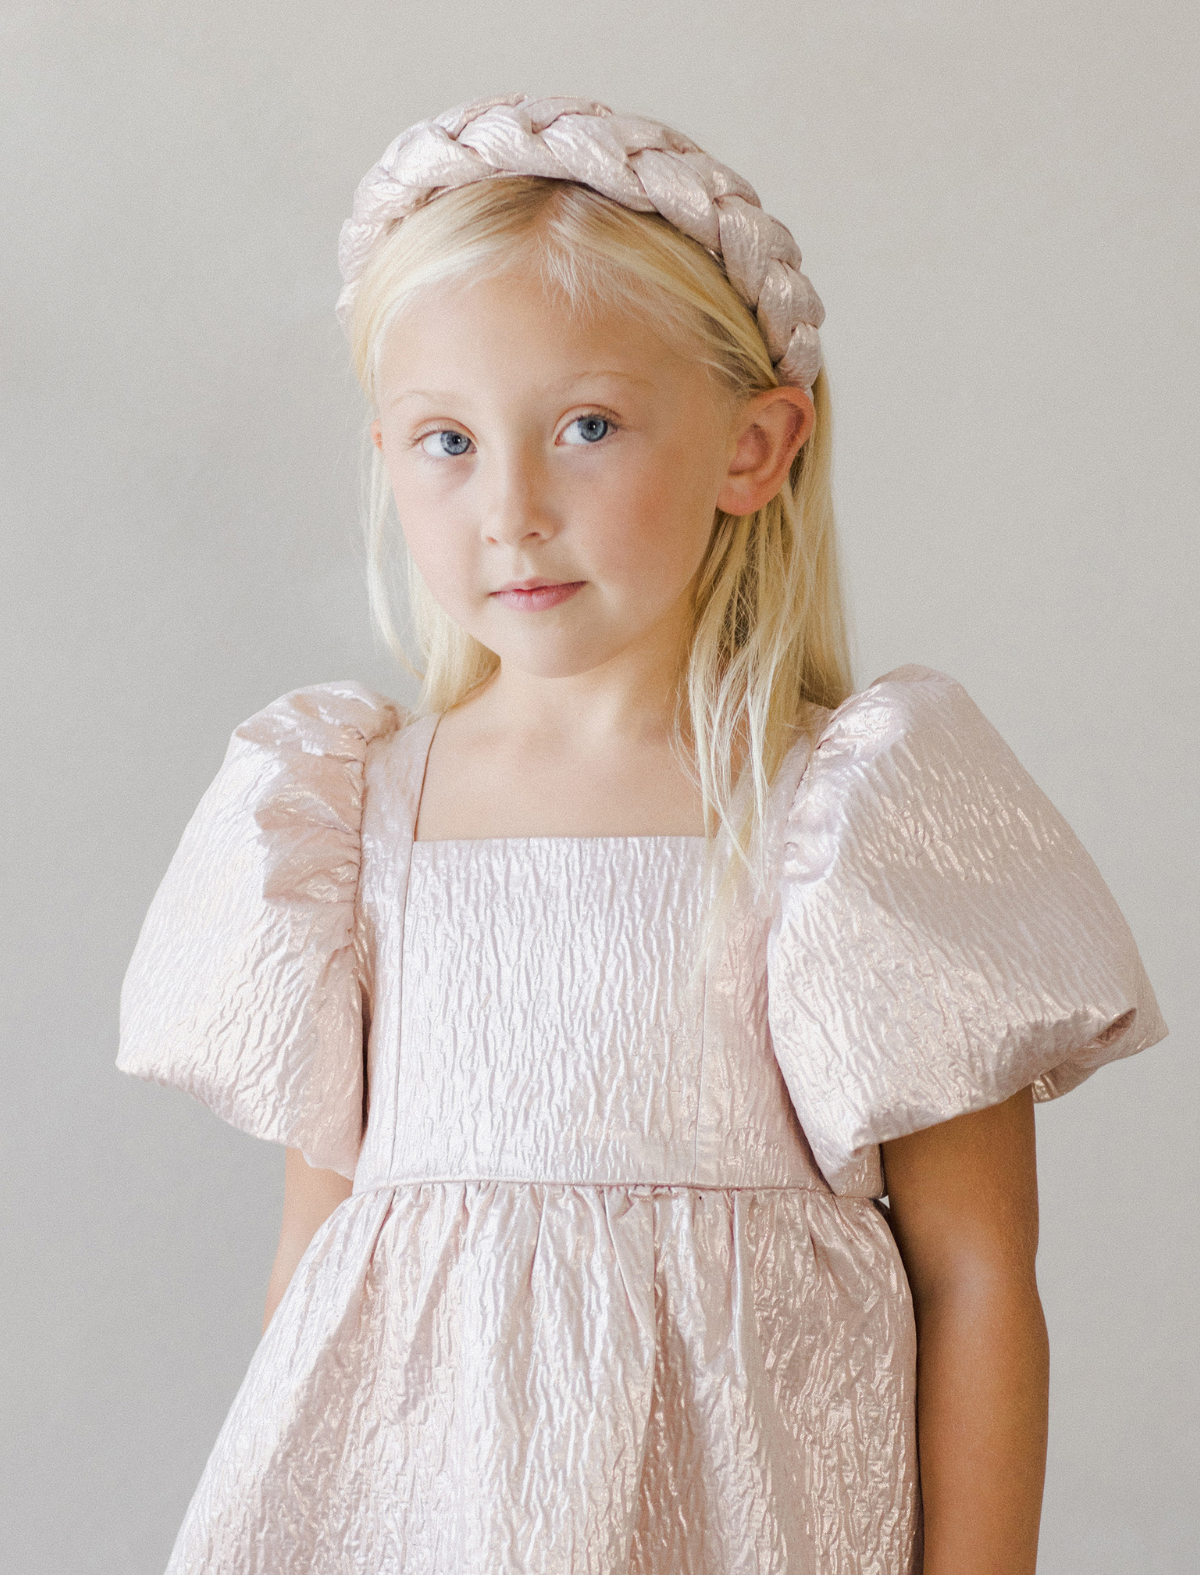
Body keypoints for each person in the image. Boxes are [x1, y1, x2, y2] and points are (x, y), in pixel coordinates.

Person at [117, 94, 1166, 1575]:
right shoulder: (348, 819)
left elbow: (980, 1273)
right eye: (447, 442)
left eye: (588, 427)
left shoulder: (844, 815)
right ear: (386, 455)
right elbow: (328, 1264)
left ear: (755, 447)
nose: (512, 510)